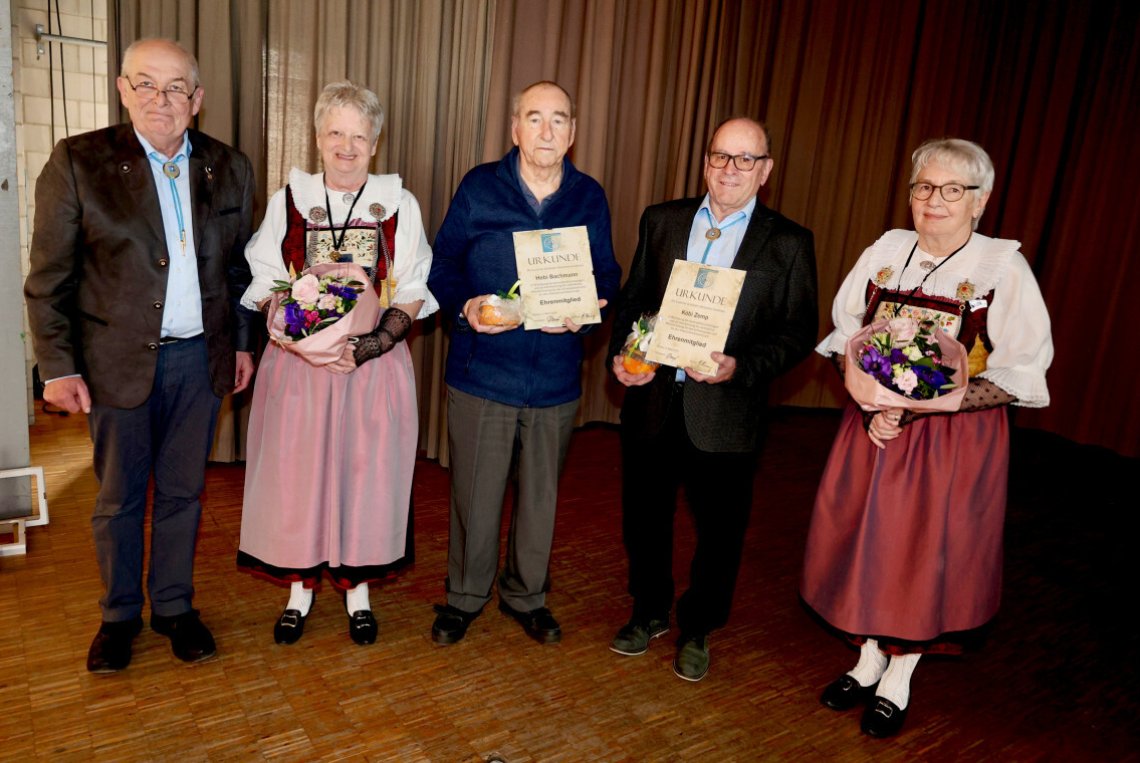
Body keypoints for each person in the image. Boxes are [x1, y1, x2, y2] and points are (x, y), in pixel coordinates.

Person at [802, 138, 1053, 737]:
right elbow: (847, 335)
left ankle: (900, 676)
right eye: (922, 187)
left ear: (980, 201)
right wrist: (868, 403)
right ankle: (866, 662)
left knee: (920, 551)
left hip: (952, 439)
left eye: (951, 190)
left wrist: (927, 407)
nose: (933, 200)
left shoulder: (1002, 267)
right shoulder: (887, 252)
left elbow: (1021, 371)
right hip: (874, 428)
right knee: (862, 538)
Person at [23, 38, 256, 672]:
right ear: (124, 90)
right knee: (119, 498)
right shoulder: (79, 162)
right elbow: (49, 278)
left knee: (184, 494)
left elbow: (240, 274)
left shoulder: (231, 167)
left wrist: (240, 345)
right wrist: (58, 366)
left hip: (198, 364)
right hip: (115, 364)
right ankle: (119, 615)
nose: (161, 98)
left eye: (176, 86)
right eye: (146, 84)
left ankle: (175, 607)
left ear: (197, 99)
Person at [608, 117, 818, 681]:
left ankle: (698, 627)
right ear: (705, 162)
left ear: (765, 170)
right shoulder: (663, 220)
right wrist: (623, 356)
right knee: (644, 521)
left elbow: (798, 333)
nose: (730, 169)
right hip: (654, 402)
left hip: (726, 413)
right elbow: (632, 304)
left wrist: (741, 367)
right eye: (721, 156)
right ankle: (648, 610)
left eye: (745, 159)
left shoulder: (789, 243)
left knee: (721, 532)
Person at [236, 81, 437, 646]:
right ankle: (300, 590)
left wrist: (370, 344)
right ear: (318, 138)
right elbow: (264, 277)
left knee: (365, 476)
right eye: (335, 134)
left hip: (371, 369)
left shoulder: (400, 204)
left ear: (375, 142)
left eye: (359, 135)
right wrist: (301, 335)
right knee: (298, 478)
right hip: (299, 371)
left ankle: (358, 592)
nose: (346, 147)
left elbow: (415, 286)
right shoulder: (290, 201)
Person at [427, 81, 622, 645]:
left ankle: (526, 595)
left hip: (555, 377)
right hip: (483, 372)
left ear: (573, 132)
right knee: (475, 494)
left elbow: (607, 276)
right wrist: (467, 307)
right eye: (534, 118)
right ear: (515, 128)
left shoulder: (589, 197)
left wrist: (584, 315)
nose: (546, 131)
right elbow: (441, 270)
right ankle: (464, 596)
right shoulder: (479, 187)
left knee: (540, 499)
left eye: (558, 119)